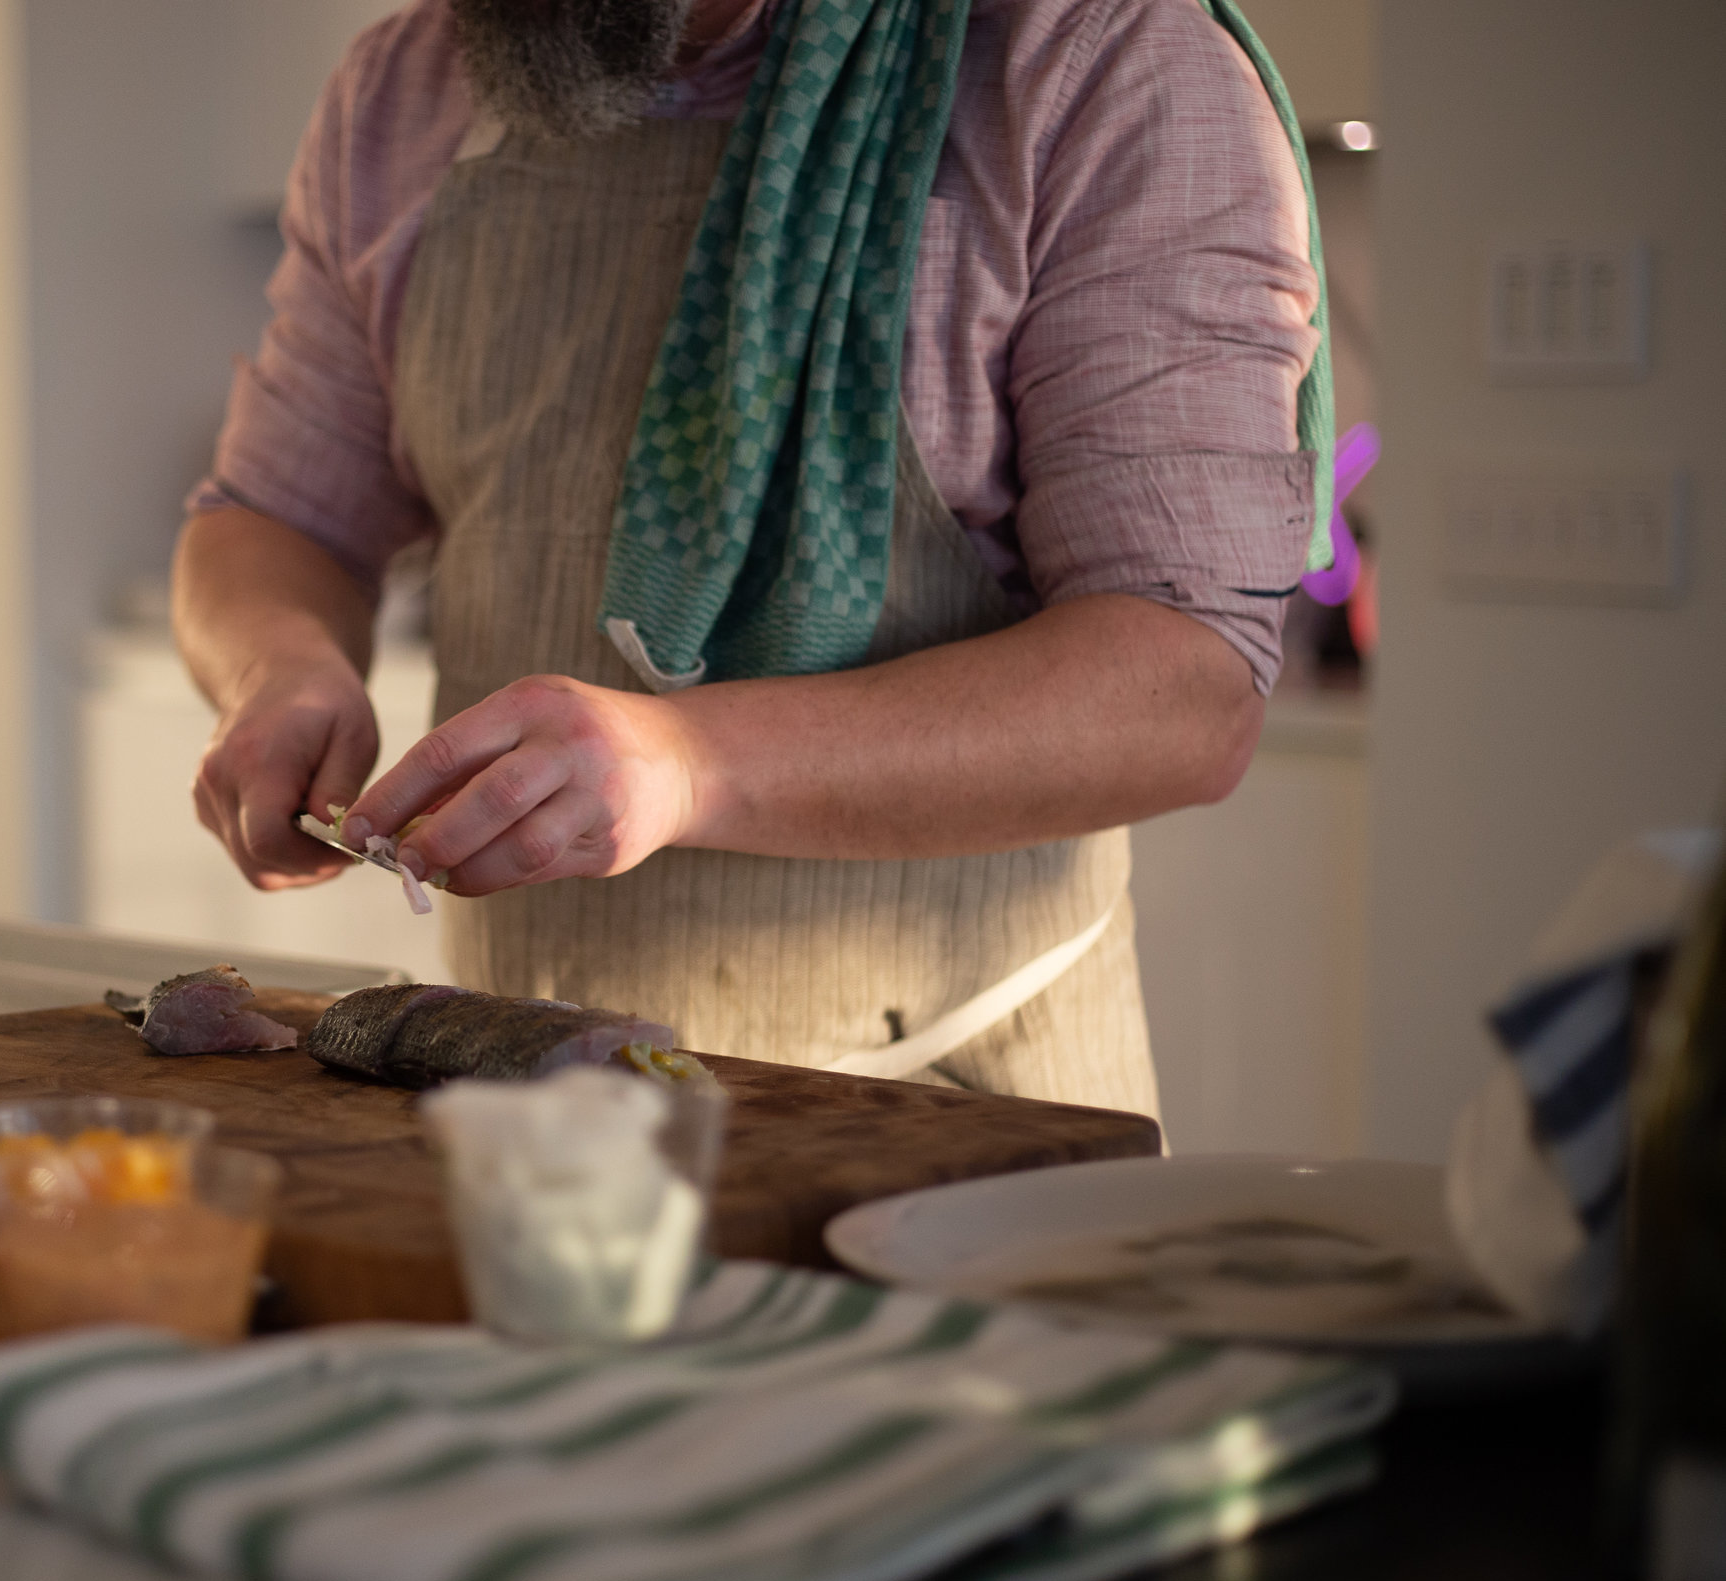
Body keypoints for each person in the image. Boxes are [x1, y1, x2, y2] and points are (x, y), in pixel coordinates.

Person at [172, 0, 1324, 1116]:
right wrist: (277, 665)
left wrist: (683, 764)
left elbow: (1181, 688)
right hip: (531, 1122)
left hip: (954, 1114)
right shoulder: (401, 94)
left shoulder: (1092, 62)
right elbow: (274, 516)